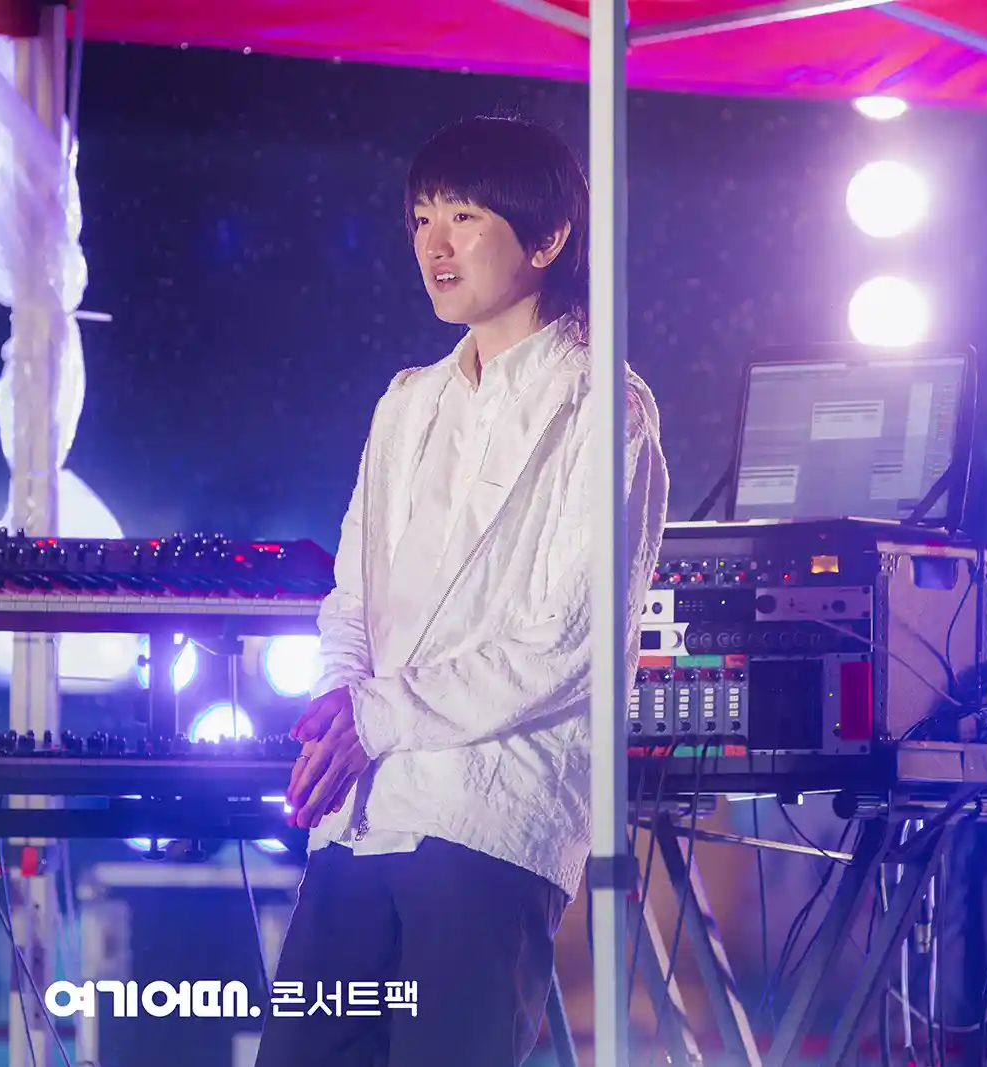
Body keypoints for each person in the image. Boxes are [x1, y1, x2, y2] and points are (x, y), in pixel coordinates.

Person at [255, 115, 669, 1067]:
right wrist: (338, 707)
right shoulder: (407, 402)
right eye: (421, 219)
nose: (434, 244)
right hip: (362, 812)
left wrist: (373, 716)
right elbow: (350, 596)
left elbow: (571, 641)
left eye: (465, 216)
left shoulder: (604, 405)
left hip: (487, 814)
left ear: (548, 236)